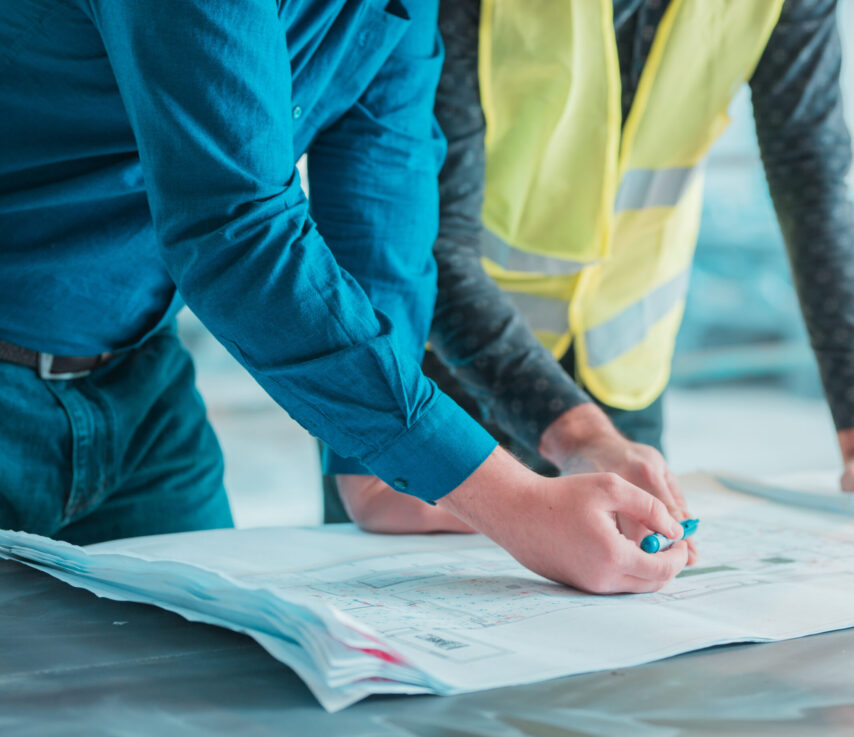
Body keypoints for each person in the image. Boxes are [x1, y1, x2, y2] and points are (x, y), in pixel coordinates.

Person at [0, 0, 692, 595]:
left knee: (204, 680)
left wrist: (376, 474)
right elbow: (238, 233)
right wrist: (513, 501)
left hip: (140, 385)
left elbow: (383, 203)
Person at [327, 0, 854, 531]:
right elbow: (421, 233)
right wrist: (578, 435)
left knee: (624, 626)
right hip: (436, 369)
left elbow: (813, 182)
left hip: (622, 377)